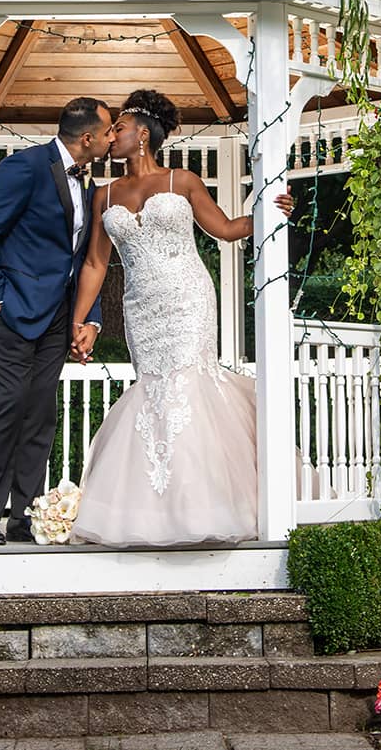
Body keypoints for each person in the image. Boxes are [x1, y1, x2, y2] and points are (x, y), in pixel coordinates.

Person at [66, 88, 294, 547]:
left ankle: (207, 508)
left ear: (143, 135)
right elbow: (94, 263)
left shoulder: (182, 181)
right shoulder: (103, 193)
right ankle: (154, 512)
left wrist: (270, 212)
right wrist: (80, 322)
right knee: (153, 394)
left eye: (120, 128)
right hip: (141, 309)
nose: (111, 136)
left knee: (188, 390)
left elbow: (227, 229)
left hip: (188, 299)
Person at [0, 96, 115, 545]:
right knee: (8, 405)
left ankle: (25, 515)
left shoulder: (88, 186)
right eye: (107, 132)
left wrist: (89, 318)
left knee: (40, 413)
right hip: (12, 309)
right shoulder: (24, 167)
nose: (110, 139)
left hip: (57, 316)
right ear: (87, 137)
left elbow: (86, 259)